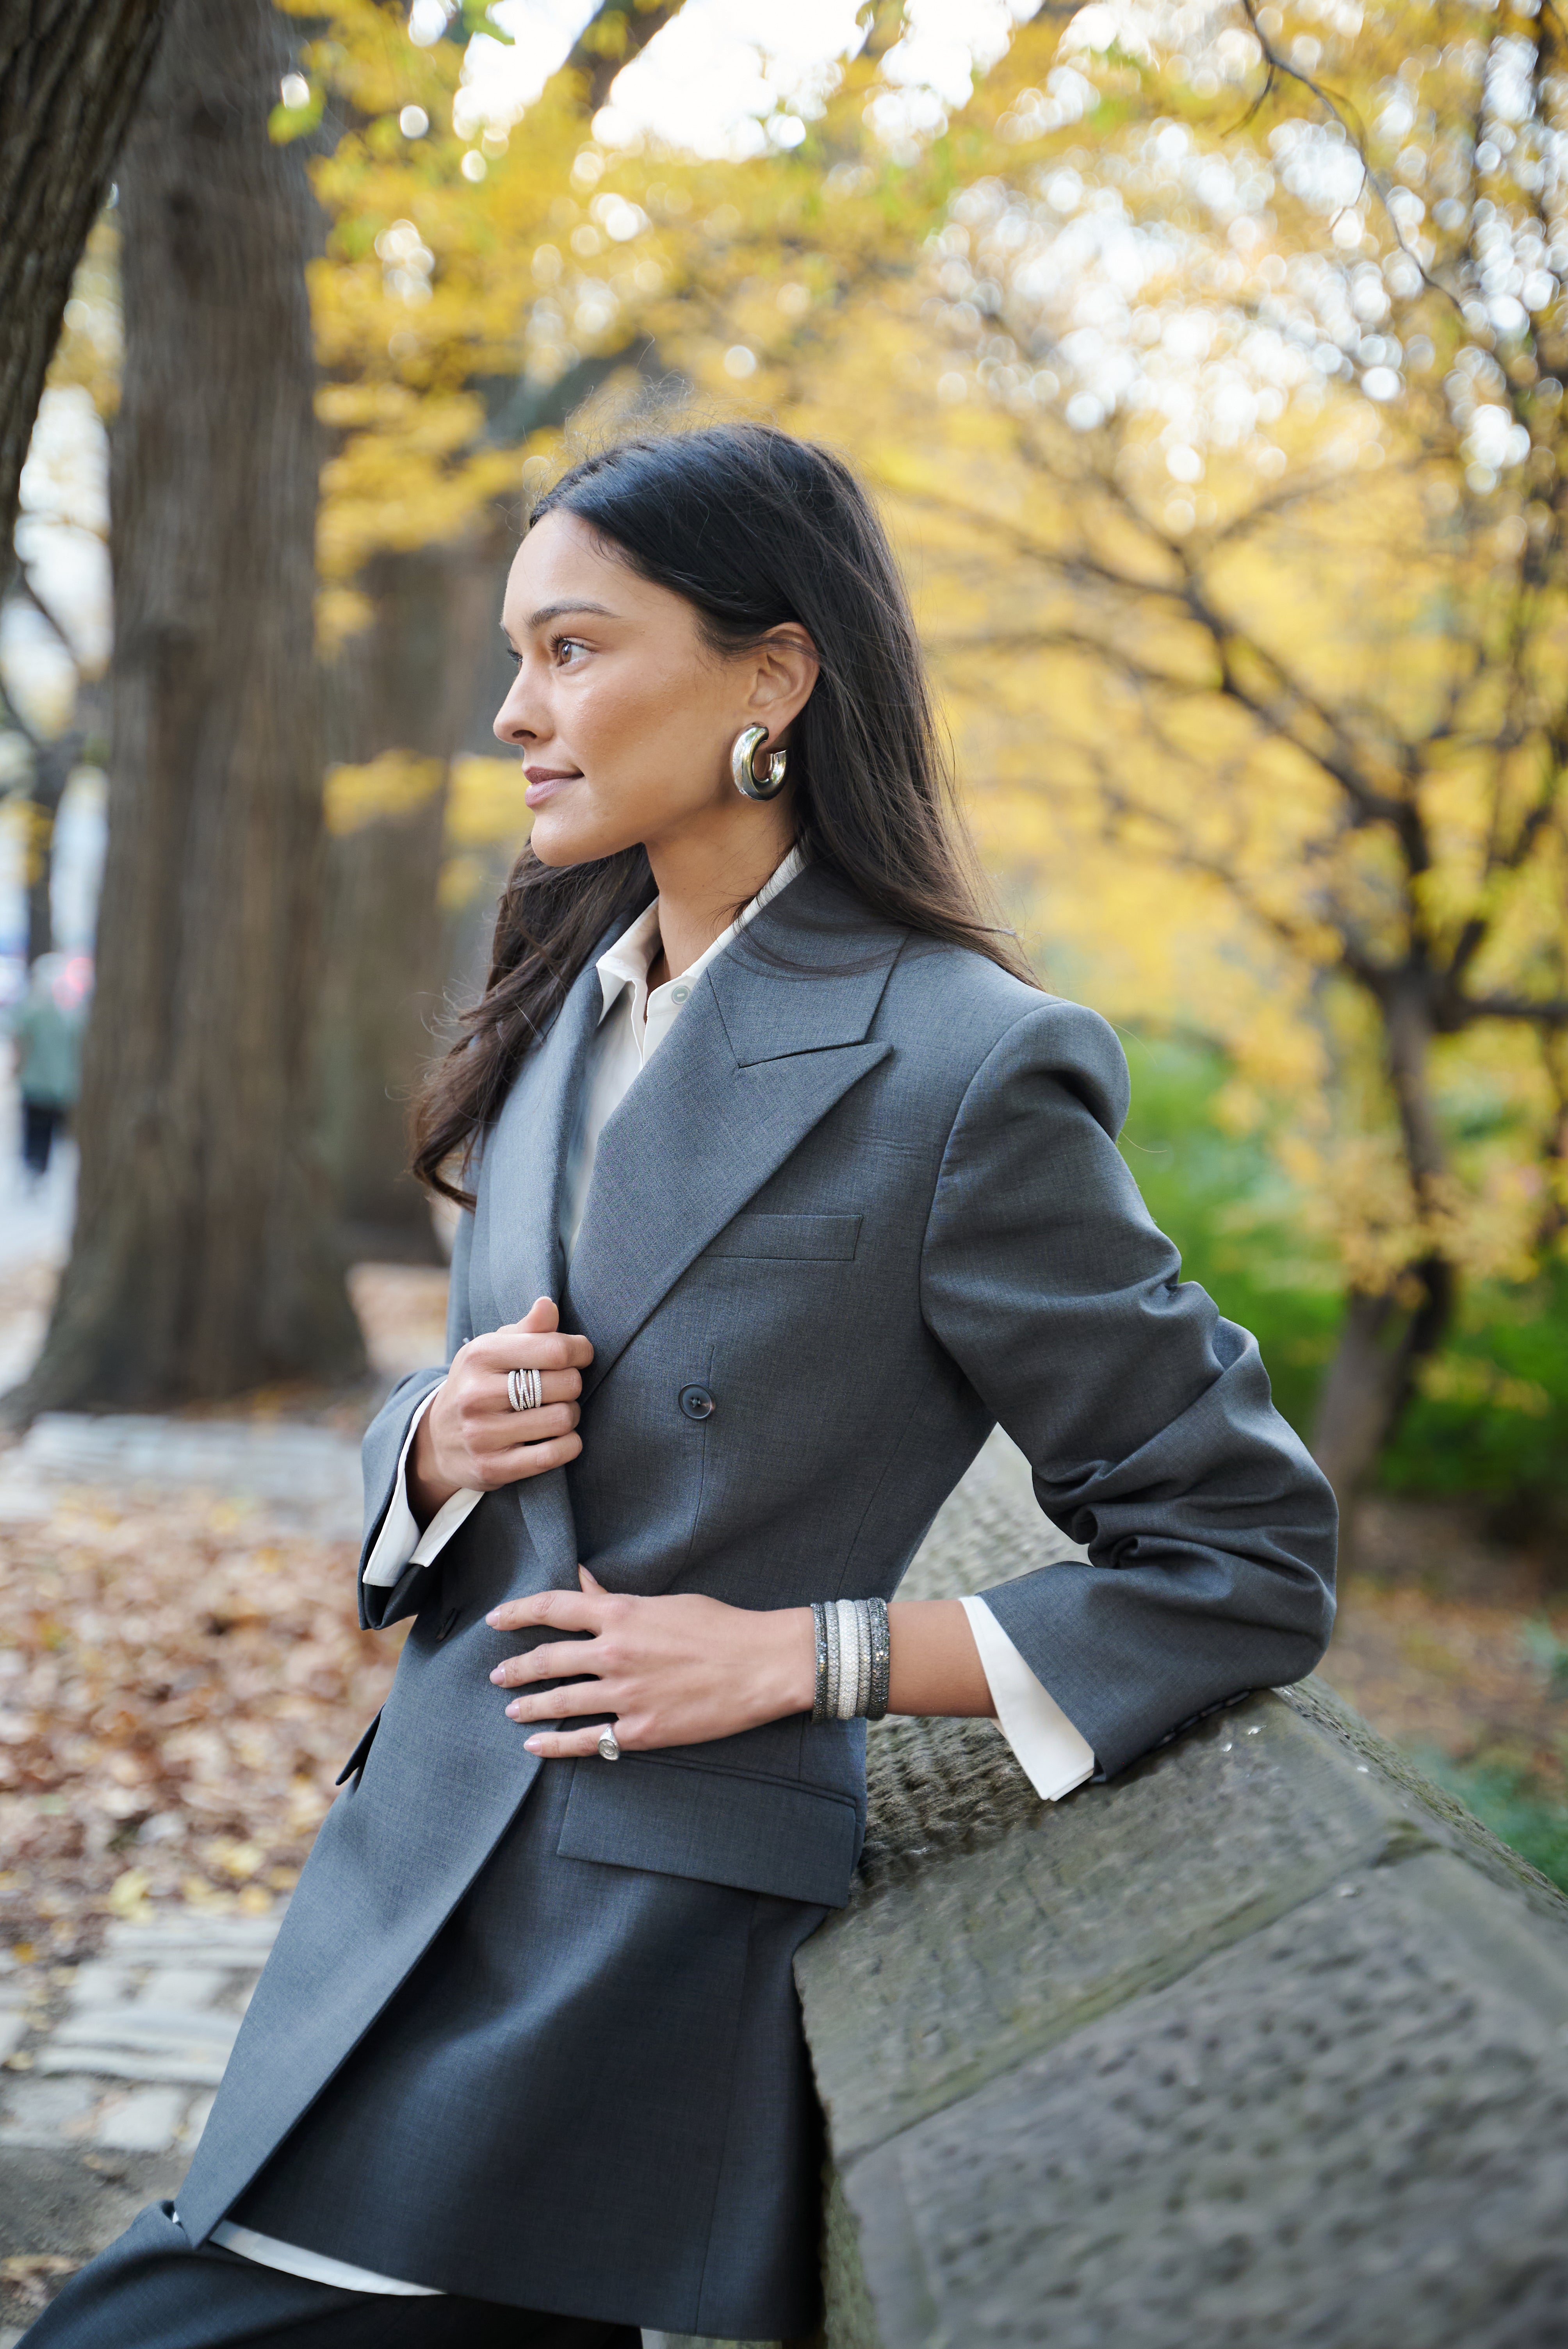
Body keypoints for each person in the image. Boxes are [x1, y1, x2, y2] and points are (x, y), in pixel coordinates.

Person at [27, 425, 1336, 2349]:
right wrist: (429, 1445)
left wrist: (812, 1656)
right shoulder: (572, 994)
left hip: (625, 1979)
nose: (508, 711)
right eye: (512, 654)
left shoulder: (967, 1069)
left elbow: (1245, 1555)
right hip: (400, 1892)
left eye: (570, 649)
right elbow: (472, 1476)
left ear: (771, 676)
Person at [8, 952, 82, 1183]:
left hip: (47, 1083)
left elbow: (20, 1042)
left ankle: (37, 1170)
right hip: (51, 1084)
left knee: (40, 1130)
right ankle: (37, 1171)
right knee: (45, 1130)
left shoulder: (45, 1012)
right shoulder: (62, 1014)